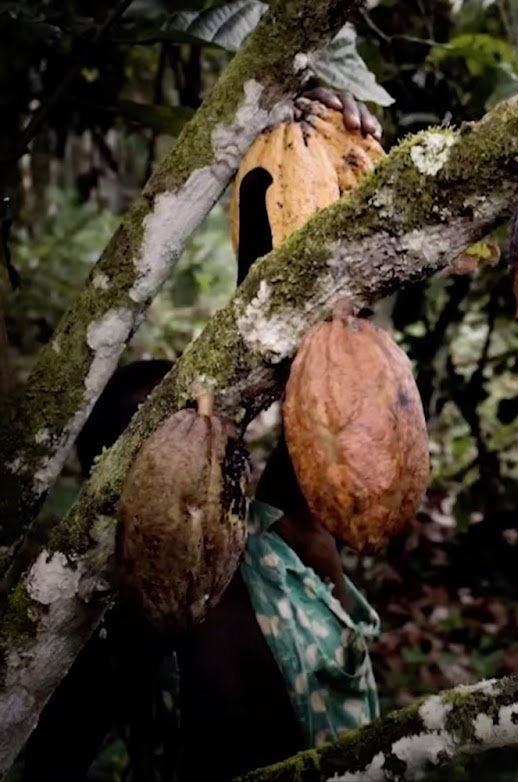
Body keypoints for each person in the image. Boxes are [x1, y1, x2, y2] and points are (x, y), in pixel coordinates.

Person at [19, 88, 384, 782]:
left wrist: (296, 162)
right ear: (113, 492)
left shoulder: (281, 540)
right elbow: (51, 755)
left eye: (201, 439)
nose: (189, 470)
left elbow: (313, 355)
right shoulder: (119, 630)